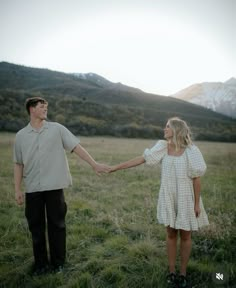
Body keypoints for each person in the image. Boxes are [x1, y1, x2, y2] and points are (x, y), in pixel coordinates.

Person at [13, 97, 110, 275]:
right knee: (36, 228)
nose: (45, 110)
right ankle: (40, 265)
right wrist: (18, 189)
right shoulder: (20, 136)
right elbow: (18, 164)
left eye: (46, 107)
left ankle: (58, 264)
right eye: (42, 107)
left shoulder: (57, 129)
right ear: (31, 109)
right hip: (33, 188)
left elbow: (76, 147)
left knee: (57, 225)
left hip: (54, 186)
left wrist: (94, 164)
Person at [109, 117, 209, 288]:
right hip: (168, 197)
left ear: (176, 129)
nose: (164, 129)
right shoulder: (163, 147)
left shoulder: (192, 151)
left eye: (167, 127)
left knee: (185, 236)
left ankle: (183, 273)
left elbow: (197, 180)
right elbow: (141, 159)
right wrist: (115, 167)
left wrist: (197, 204)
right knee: (170, 234)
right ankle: (171, 271)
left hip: (186, 199)